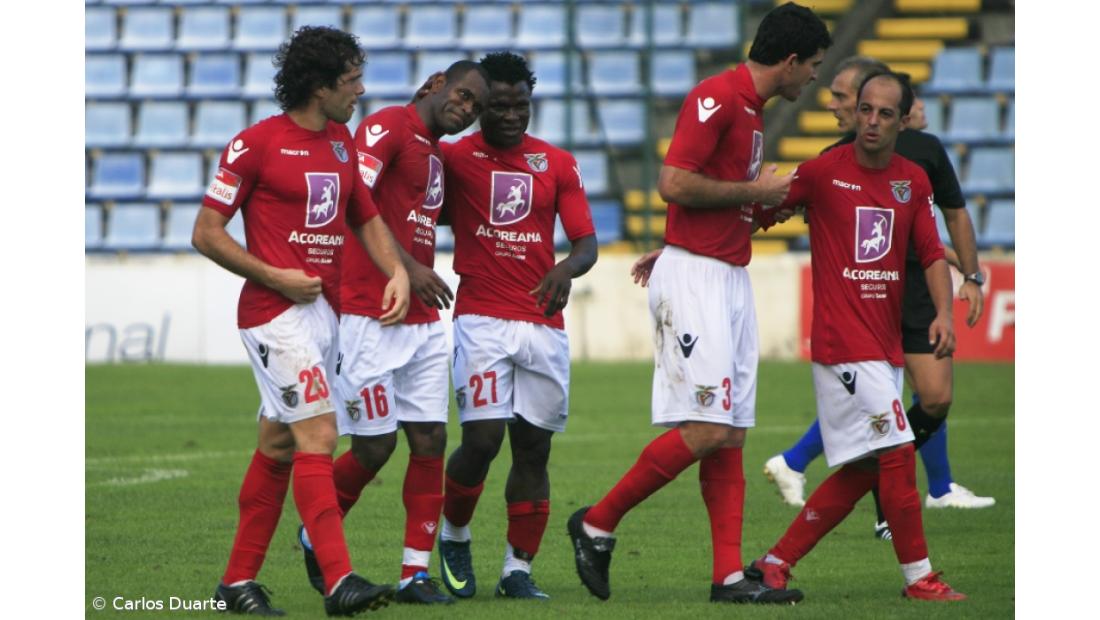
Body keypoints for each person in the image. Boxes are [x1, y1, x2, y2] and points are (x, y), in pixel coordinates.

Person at [567, 2, 831, 604]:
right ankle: (597, 522)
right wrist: (751, 193)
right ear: (790, 60)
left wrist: (762, 205)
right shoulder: (717, 96)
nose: (814, 75)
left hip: (726, 271)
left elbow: (719, 198)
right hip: (698, 279)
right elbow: (674, 182)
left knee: (731, 432)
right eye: (813, 64)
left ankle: (728, 577)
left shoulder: (752, 111)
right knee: (709, 427)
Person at [193, 26, 411, 616]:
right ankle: (339, 580)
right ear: (319, 86)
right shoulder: (255, 144)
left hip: (323, 314)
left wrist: (396, 270)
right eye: (351, 80)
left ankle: (236, 583)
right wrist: (275, 275)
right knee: (319, 436)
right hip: (273, 313)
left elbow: (365, 216)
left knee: (279, 444)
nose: (360, 91)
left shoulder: (342, 142)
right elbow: (206, 233)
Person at [747, 71, 966, 602]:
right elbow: (758, 214)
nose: (871, 121)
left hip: (884, 345)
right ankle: (920, 578)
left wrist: (944, 312)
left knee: (867, 466)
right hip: (842, 344)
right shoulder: (823, 171)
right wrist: (682, 251)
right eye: (865, 109)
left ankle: (774, 563)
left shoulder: (913, 180)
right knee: (897, 451)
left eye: (885, 113)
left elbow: (931, 253)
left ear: (903, 120)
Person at [297, 60, 489, 606]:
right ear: (435, 84)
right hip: (369, 311)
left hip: (422, 321)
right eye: (463, 95)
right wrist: (407, 269)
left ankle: (414, 575)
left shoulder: (434, 152)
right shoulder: (387, 125)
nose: (467, 109)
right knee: (375, 445)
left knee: (430, 441)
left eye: (476, 107)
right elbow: (353, 203)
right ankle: (314, 533)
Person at [419, 52, 598, 601]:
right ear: (479, 106)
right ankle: (454, 534)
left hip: (542, 322)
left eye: (522, 105)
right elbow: (415, 204)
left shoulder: (557, 163)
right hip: (481, 318)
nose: (512, 115)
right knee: (483, 439)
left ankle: (516, 569)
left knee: (534, 448)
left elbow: (586, 243)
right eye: (499, 106)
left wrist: (567, 268)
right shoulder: (454, 158)